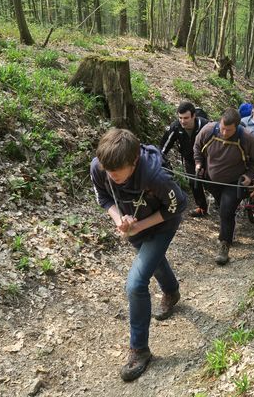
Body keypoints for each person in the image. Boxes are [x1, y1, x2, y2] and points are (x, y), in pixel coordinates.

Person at [90, 128, 187, 382]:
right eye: (108, 171)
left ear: (133, 162)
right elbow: (103, 197)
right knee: (154, 264)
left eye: (117, 174)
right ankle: (172, 291)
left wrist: (138, 226)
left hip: (161, 225)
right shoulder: (100, 167)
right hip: (132, 225)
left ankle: (140, 350)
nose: (111, 176)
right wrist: (120, 220)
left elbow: (178, 206)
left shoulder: (155, 176)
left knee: (135, 284)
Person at [194, 108, 254, 265]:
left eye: (229, 130)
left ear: (237, 127)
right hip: (212, 181)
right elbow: (197, 147)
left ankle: (224, 245)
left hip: (233, 182)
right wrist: (199, 163)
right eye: (223, 128)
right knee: (222, 207)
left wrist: (249, 176)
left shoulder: (247, 138)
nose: (224, 133)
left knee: (226, 210)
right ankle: (229, 226)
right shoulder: (208, 131)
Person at [160, 101, 209, 217]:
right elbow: (164, 147)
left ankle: (221, 204)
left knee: (211, 182)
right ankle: (201, 207)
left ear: (194, 116)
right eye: (180, 118)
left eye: (186, 118)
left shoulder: (205, 126)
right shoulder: (175, 127)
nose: (183, 121)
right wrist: (158, 160)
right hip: (189, 158)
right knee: (193, 182)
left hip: (207, 158)